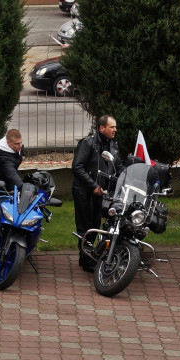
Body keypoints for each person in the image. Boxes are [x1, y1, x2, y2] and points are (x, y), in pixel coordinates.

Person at [72, 115, 122, 271]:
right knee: (85, 226)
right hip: (84, 191)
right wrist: (93, 186)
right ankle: (86, 260)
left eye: (115, 127)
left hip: (102, 193)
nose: (115, 130)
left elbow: (118, 167)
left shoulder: (113, 145)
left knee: (95, 224)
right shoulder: (88, 143)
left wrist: (128, 177)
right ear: (102, 128)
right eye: (111, 127)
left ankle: (87, 256)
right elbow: (77, 167)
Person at [0, 129, 23, 253]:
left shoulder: (15, 149)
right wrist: (21, 186)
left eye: (21, 143)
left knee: (11, 220)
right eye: (16, 144)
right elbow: (11, 173)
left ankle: (10, 247)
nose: (20, 146)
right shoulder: (4, 158)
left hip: (9, 187)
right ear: (8, 143)